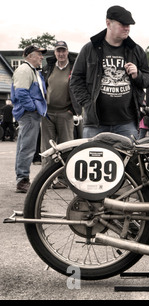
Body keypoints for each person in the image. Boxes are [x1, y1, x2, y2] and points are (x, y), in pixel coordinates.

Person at [70, 5, 149, 139]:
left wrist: (138, 75)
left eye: (129, 25)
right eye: (122, 24)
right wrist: (88, 103)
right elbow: (75, 80)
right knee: (92, 157)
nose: (127, 28)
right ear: (108, 23)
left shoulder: (136, 50)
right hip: (95, 124)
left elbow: (148, 79)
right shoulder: (90, 49)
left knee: (129, 160)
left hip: (127, 122)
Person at [11, 45, 48, 193]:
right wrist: (32, 107)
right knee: (27, 147)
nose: (42, 57)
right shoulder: (25, 70)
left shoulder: (30, 70)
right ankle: (22, 180)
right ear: (30, 56)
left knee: (24, 146)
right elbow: (21, 92)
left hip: (29, 113)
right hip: (28, 114)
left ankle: (22, 178)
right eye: (39, 54)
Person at [41, 40, 79, 167]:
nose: (61, 53)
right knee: (47, 147)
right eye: (58, 51)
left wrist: (73, 110)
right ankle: (47, 178)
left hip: (65, 113)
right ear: (55, 53)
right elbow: (41, 88)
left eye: (63, 50)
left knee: (66, 147)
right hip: (48, 114)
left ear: (67, 52)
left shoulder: (75, 68)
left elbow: (80, 88)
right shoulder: (48, 68)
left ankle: (64, 177)